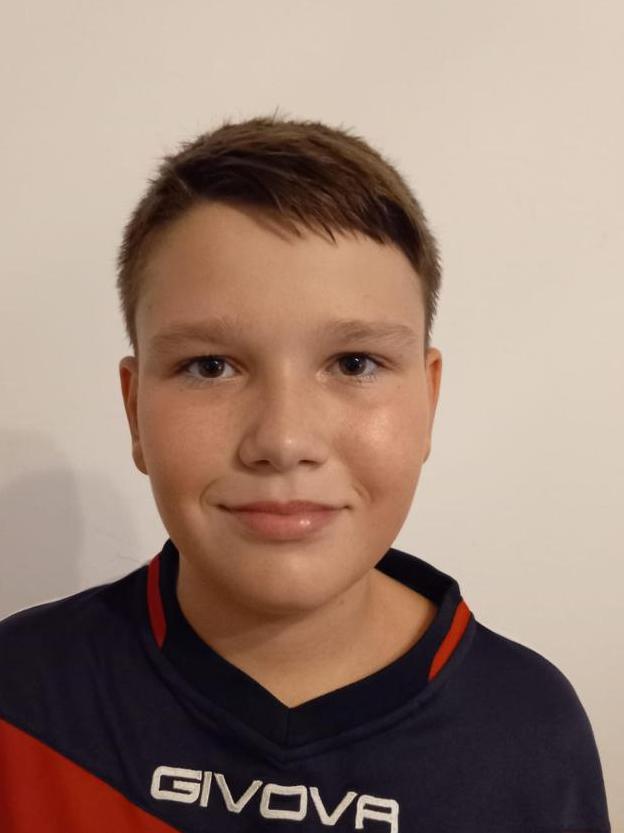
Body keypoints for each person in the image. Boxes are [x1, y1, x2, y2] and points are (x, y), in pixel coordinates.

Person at [0, 113, 611, 832]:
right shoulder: (19, 697)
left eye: (354, 363)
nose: (284, 441)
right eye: (210, 366)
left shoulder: (529, 734)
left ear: (428, 400)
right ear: (135, 411)